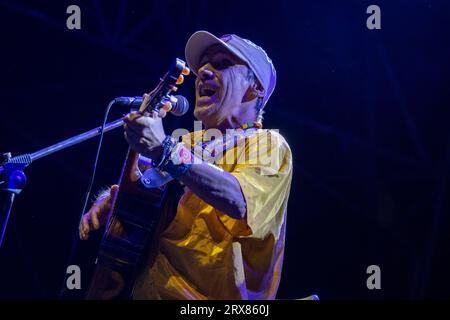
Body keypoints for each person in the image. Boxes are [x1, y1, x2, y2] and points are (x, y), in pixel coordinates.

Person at [79, 30, 293, 300]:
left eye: (222, 63)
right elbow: (144, 186)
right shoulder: (189, 143)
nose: (203, 71)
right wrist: (111, 199)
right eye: (203, 64)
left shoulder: (269, 144)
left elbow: (239, 200)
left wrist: (164, 149)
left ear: (256, 88)